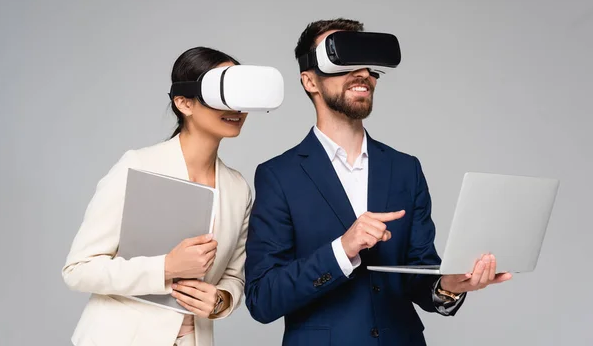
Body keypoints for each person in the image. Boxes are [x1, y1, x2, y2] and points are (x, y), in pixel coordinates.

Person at [244, 18, 513, 345]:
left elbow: (418, 276)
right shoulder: (279, 176)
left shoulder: (405, 169)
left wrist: (450, 285)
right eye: (343, 62)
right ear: (309, 81)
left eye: (367, 65)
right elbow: (263, 298)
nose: (362, 73)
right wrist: (342, 250)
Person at [62, 47, 253, 346]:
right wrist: (166, 267)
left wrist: (221, 300)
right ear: (184, 103)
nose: (236, 107)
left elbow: (234, 275)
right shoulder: (138, 165)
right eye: (221, 93)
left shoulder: (238, 188)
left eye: (240, 93)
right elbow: (78, 270)